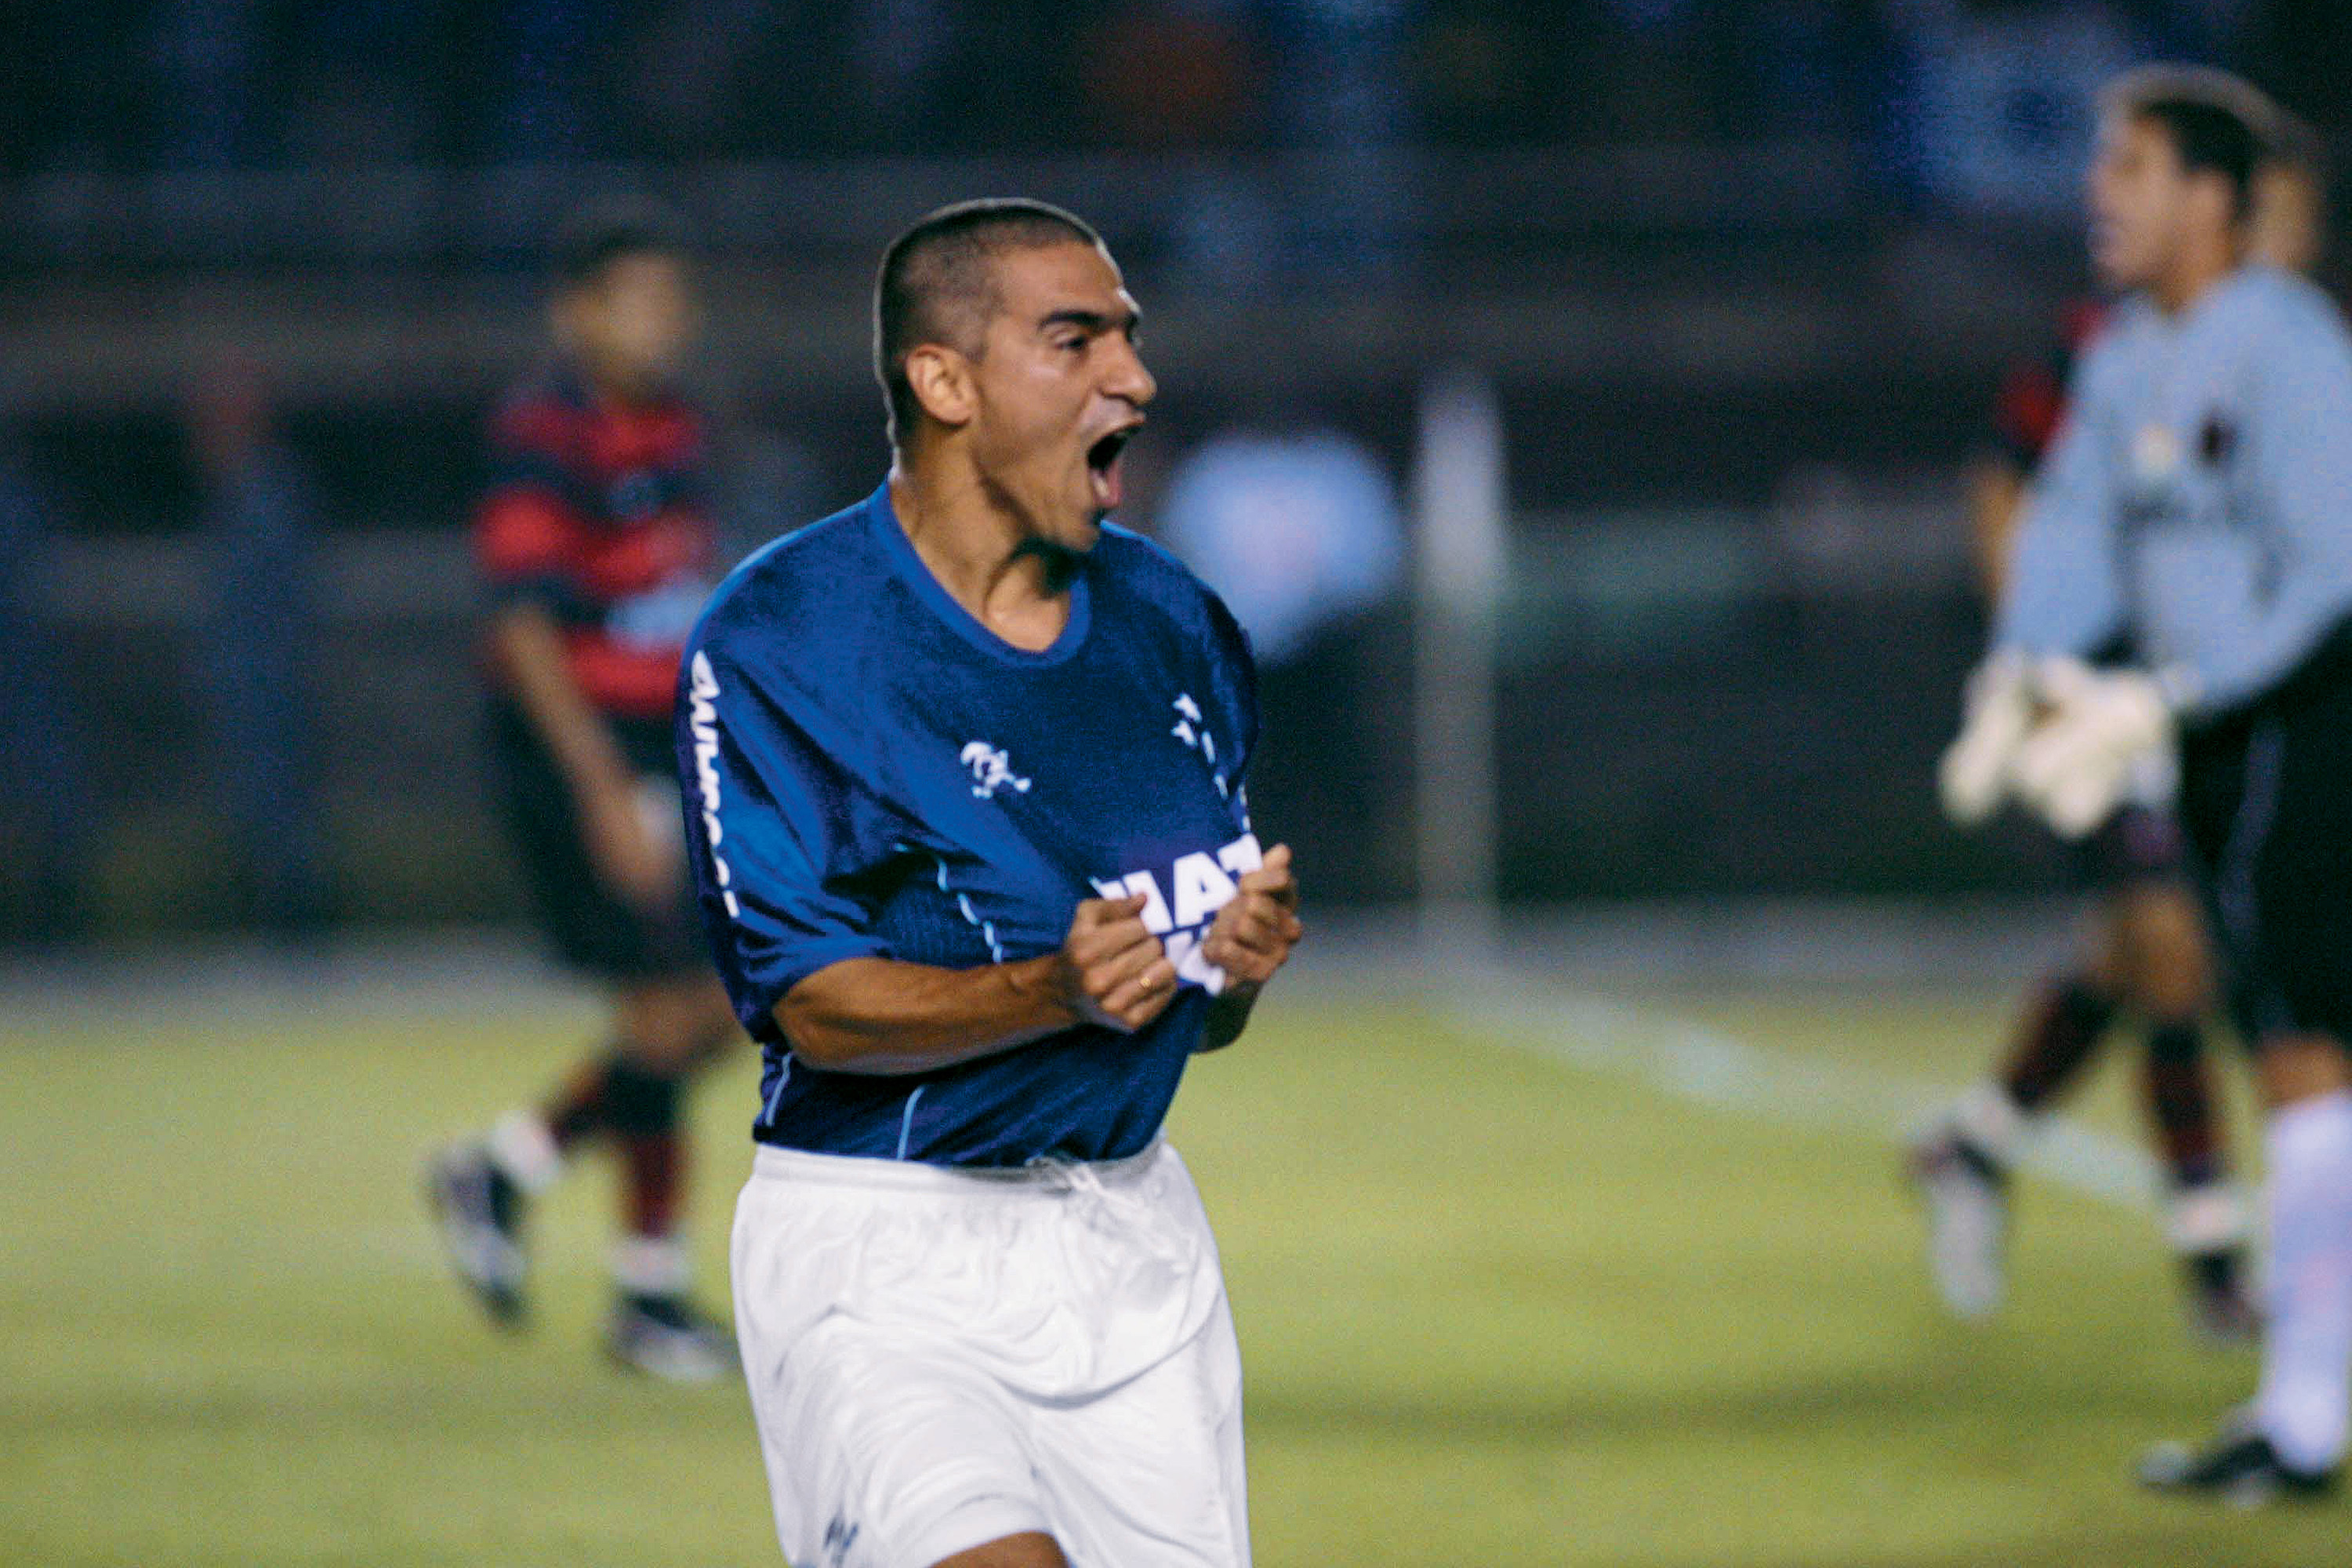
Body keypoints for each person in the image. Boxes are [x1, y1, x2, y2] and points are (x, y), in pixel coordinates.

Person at [681, 198, 1301, 1568]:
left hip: (1136, 1254)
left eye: (1129, 341)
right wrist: (1052, 987)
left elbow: (1191, 1008)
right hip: (887, 1253)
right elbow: (810, 1005)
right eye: (1073, 340)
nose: (1131, 378)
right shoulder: (785, 637)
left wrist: (1228, 973)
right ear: (944, 381)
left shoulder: (1177, 626)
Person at [1942, 66, 2352, 1503]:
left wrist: (2165, 696)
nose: (2097, 194)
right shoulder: (2127, 353)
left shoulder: (2289, 348)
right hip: (2233, 737)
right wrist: (2024, 669)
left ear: (2211, 200)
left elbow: (2332, 574)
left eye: (2128, 169)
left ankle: (2304, 1416)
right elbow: (2071, 526)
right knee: (2293, 1048)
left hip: (2314, 721)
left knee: (2305, 1055)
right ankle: (2299, 1407)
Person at [425, 199, 740, 1381]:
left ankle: (511, 1172)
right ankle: (640, 1293)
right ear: (579, 312)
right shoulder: (545, 432)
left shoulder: (673, 427)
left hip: (659, 747)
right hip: (581, 755)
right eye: (639, 299)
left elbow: (669, 593)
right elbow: (521, 625)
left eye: (674, 298)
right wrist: (605, 789)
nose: (665, 321)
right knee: (685, 1003)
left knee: (691, 1008)